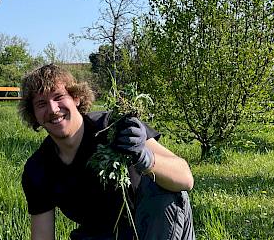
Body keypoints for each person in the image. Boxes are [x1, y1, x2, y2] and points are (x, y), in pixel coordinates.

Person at [19, 64, 195, 240]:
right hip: (100, 234)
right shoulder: (38, 169)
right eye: (41, 104)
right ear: (34, 115)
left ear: (76, 98)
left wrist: (144, 157)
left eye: (59, 97)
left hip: (152, 226)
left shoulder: (114, 126)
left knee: (165, 192)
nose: (52, 109)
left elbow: (185, 179)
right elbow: (42, 236)